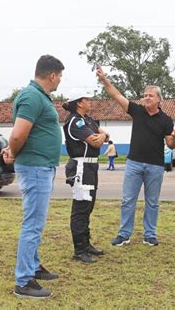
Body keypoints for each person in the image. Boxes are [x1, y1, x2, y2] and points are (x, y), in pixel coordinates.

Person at [1, 55, 64, 298]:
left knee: (36, 223)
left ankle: (34, 266)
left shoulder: (38, 96)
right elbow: (18, 134)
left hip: (41, 167)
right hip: (35, 168)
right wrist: (13, 150)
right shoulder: (31, 96)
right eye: (60, 76)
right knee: (33, 224)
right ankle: (23, 281)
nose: (60, 81)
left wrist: (12, 151)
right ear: (52, 75)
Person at [96, 66, 175, 246]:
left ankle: (149, 234)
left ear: (159, 99)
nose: (146, 97)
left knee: (152, 202)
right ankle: (124, 234)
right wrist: (104, 79)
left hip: (155, 166)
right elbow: (116, 95)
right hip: (134, 163)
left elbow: (170, 144)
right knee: (128, 200)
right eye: (145, 95)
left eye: (150, 95)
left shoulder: (166, 120)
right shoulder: (137, 111)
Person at [62, 90, 109, 264]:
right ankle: (79, 249)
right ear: (79, 102)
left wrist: (102, 135)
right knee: (80, 208)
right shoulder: (75, 121)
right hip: (81, 166)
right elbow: (96, 141)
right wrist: (102, 136)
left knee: (88, 206)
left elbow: (104, 135)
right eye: (87, 99)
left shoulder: (87, 119)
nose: (90, 102)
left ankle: (86, 243)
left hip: (91, 166)